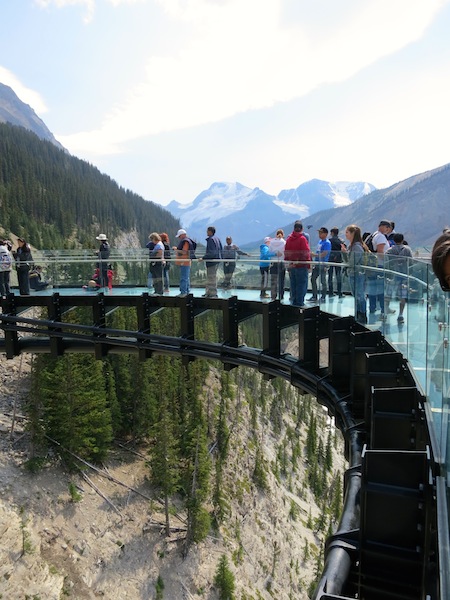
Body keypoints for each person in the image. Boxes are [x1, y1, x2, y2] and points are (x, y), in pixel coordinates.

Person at [364, 220, 392, 316]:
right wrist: (388, 262)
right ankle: (383, 309)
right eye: (387, 228)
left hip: (372, 265)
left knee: (372, 287)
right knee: (380, 288)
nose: (388, 230)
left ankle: (372, 308)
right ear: (384, 227)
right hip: (380, 265)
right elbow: (380, 252)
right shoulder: (380, 236)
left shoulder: (374, 235)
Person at [341, 224, 367, 324]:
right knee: (357, 295)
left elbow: (351, 263)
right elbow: (348, 261)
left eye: (347, 232)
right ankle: (359, 314)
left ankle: (362, 315)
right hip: (353, 274)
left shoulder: (356, 247)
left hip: (357, 274)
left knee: (359, 295)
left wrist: (346, 254)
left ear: (352, 233)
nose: (345, 234)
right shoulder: (352, 246)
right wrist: (344, 252)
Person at [384, 233, 413, 323]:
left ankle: (385, 313)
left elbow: (386, 262)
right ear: (402, 239)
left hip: (393, 276)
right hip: (403, 275)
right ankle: (400, 315)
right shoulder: (407, 250)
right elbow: (411, 262)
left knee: (388, 295)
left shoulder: (389, 251)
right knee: (402, 296)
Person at [284, 220, 311, 307]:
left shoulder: (289, 239)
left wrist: (288, 263)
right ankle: (299, 303)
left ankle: (294, 301)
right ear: (302, 229)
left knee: (293, 284)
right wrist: (308, 264)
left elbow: (286, 252)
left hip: (292, 265)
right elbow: (306, 252)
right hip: (301, 265)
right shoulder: (302, 239)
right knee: (302, 284)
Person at [308, 227, 331, 302]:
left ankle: (323, 296)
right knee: (313, 279)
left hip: (323, 264)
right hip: (317, 263)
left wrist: (315, 255)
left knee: (323, 281)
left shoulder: (327, 243)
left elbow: (324, 253)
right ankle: (314, 296)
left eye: (321, 233)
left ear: (325, 234)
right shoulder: (320, 242)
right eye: (319, 232)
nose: (319, 234)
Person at [199, 226, 223, 298]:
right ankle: (209, 292)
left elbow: (211, 252)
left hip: (211, 261)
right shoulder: (217, 239)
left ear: (210, 231)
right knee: (212, 277)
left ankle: (212, 293)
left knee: (211, 277)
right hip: (216, 260)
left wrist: (203, 258)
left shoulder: (210, 240)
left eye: (207, 231)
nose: (206, 232)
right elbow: (220, 250)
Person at [172, 228, 196, 297]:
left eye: (179, 236)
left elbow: (184, 251)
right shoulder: (188, 241)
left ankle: (183, 292)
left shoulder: (185, 242)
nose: (179, 238)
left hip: (184, 262)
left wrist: (176, 249)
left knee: (184, 277)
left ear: (182, 235)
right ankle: (187, 291)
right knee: (186, 277)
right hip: (186, 261)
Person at [269, 229, 286, 300]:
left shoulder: (271, 242)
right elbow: (285, 252)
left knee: (273, 281)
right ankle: (281, 296)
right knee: (281, 281)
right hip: (281, 263)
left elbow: (269, 253)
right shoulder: (284, 242)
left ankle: (273, 296)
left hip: (273, 263)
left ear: (276, 234)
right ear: (283, 235)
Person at [327, 227, 344, 297]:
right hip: (338, 260)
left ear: (332, 233)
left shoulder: (329, 241)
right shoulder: (340, 241)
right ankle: (339, 292)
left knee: (330, 276)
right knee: (338, 276)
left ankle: (331, 292)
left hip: (330, 259)